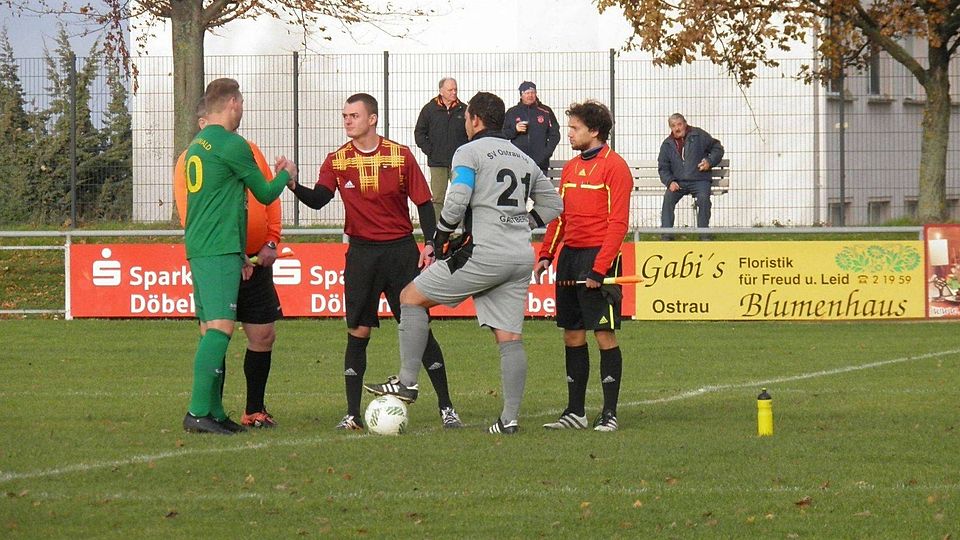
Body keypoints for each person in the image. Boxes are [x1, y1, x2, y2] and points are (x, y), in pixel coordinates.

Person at [364, 91, 564, 435]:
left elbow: (457, 198)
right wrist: (522, 222)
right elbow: (553, 205)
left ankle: (407, 383)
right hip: (519, 256)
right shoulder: (523, 158)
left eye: (467, 117)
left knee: (410, 298)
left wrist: (442, 234)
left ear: (475, 120)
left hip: (485, 253)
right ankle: (509, 419)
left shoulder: (468, 152)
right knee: (509, 337)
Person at [286, 93, 463, 431]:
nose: (347, 120)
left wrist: (430, 243)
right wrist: (294, 184)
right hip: (362, 256)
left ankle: (447, 408)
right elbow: (319, 200)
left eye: (353, 115)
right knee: (358, 331)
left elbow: (424, 203)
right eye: (345, 115)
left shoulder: (400, 155)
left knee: (419, 329)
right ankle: (352, 415)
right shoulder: (337, 160)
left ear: (372, 119)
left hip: (400, 253)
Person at [181, 78, 296, 435]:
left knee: (209, 329)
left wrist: (240, 253)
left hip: (206, 247)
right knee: (220, 330)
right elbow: (265, 193)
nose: (242, 109)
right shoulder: (232, 143)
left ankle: (214, 412)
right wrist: (286, 174)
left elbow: (220, 201)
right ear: (232, 102)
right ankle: (197, 411)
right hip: (217, 248)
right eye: (241, 102)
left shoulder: (197, 145)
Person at [534, 100, 632, 432]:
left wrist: (599, 269)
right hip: (570, 258)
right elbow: (559, 216)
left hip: (599, 257)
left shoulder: (615, 167)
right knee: (572, 334)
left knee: (603, 333)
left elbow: (618, 224)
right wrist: (547, 253)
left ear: (594, 131)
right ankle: (575, 412)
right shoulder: (571, 168)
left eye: (575, 128)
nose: (570, 134)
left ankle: (609, 413)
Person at [658, 113, 724, 232]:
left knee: (703, 199)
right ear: (670, 128)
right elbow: (663, 168)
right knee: (668, 198)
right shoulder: (667, 144)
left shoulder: (699, 135)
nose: (677, 128)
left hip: (700, 179)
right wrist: (670, 181)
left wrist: (709, 162)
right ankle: (666, 235)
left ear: (685, 123)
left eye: (679, 124)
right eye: (673, 126)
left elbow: (717, 148)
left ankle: (704, 234)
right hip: (678, 182)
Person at [414, 77, 469, 218]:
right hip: (437, 162)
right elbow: (419, 133)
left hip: (459, 162)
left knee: (462, 197)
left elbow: (471, 133)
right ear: (441, 91)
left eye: (455, 89)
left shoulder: (464, 110)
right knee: (438, 198)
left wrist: (466, 153)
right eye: (450, 90)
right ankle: (438, 228)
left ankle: (462, 227)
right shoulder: (429, 109)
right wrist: (430, 151)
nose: (454, 92)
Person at [502, 81, 561, 172]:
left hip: (540, 164)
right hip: (517, 162)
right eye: (527, 93)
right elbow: (502, 134)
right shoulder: (512, 112)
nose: (530, 95)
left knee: (539, 182)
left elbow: (555, 135)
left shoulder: (546, 111)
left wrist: (545, 154)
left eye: (533, 92)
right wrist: (515, 130)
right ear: (521, 95)